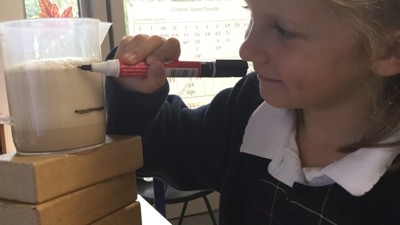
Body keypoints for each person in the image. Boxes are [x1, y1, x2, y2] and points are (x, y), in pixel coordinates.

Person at [105, 0, 400, 224]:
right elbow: (154, 147)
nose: (247, 50)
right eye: (251, 15)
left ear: (389, 52)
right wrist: (133, 93)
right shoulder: (249, 108)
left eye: (283, 30)